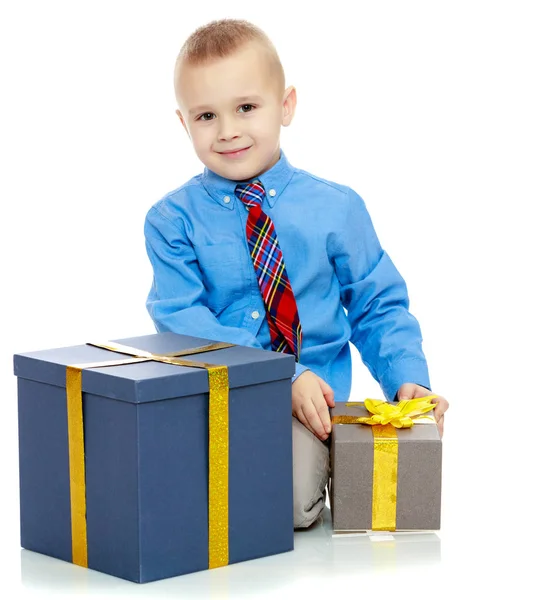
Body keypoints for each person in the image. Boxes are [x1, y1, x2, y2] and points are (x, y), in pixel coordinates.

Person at [144, 18, 449, 529]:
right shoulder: (171, 221)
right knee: (173, 495)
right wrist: (278, 373)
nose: (228, 131)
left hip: (317, 405)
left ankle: (332, 454)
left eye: (246, 107)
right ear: (183, 123)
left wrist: (408, 380)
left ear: (285, 105)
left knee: (281, 505)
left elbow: (377, 303)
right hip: (222, 395)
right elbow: (181, 322)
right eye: (205, 116)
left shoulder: (335, 207)